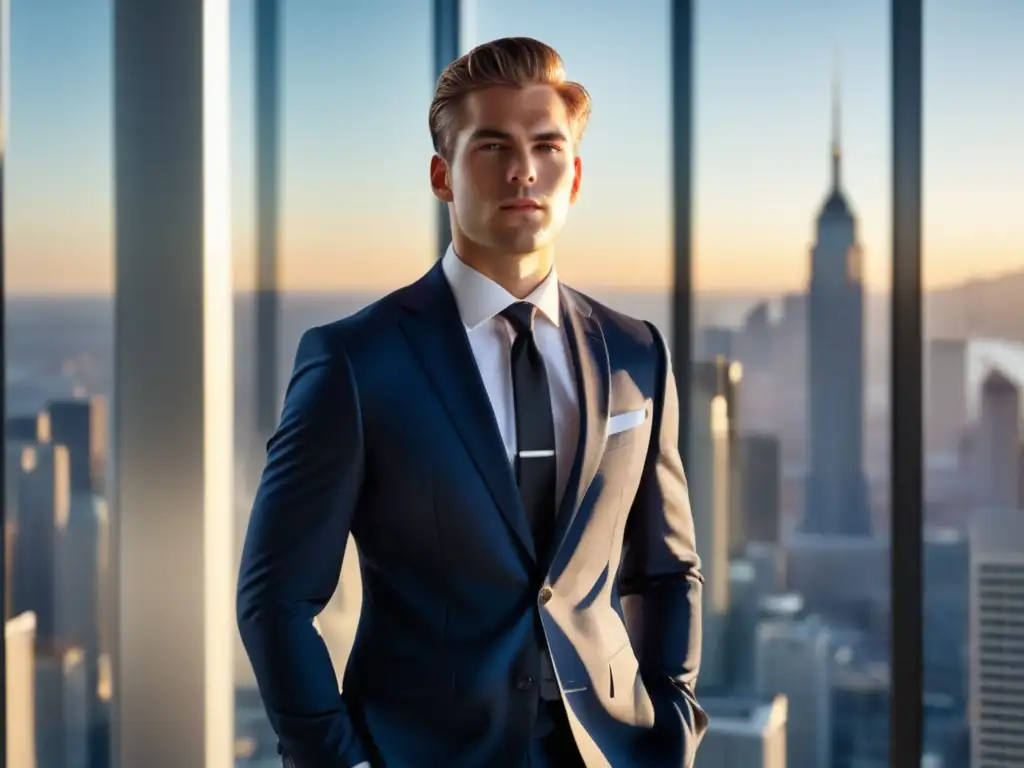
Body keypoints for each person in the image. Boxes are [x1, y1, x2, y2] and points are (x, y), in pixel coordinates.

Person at [237, 36, 707, 768]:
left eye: (546, 146)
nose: (523, 169)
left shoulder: (636, 352)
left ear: (575, 176)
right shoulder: (357, 363)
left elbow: (667, 570)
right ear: (441, 175)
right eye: (491, 146)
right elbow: (275, 600)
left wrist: (672, 722)